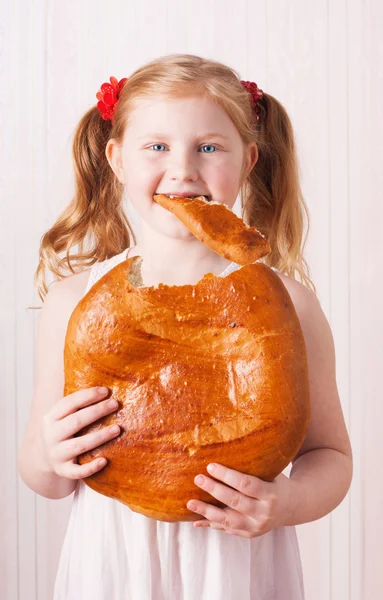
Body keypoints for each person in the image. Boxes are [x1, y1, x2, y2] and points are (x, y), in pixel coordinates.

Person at [18, 53, 353, 600]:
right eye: (157, 146)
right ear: (117, 159)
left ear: (248, 160)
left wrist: (285, 503)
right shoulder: (73, 303)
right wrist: (49, 457)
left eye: (209, 147)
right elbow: (45, 474)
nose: (183, 168)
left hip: (236, 559)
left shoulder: (288, 304)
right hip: (114, 559)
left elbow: (330, 457)